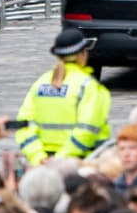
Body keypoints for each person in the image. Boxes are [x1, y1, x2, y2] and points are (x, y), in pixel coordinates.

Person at [15, 28, 112, 164]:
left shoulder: (41, 82)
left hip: (42, 164)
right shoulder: (88, 86)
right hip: (81, 163)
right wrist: (61, 159)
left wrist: (38, 157)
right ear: (82, 55)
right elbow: (87, 130)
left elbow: (22, 126)